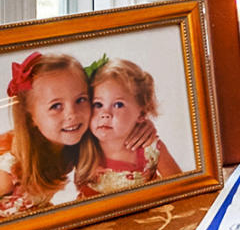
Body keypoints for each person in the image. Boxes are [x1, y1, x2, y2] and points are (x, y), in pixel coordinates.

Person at [0, 51, 94, 222]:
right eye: (56, 106)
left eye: (80, 100)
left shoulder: (70, 141)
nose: (72, 114)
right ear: (31, 117)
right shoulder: (5, 174)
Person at [75, 57, 179, 194]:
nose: (105, 114)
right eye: (98, 104)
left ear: (141, 113)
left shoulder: (151, 150)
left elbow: (180, 188)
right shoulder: (79, 144)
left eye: (118, 105)